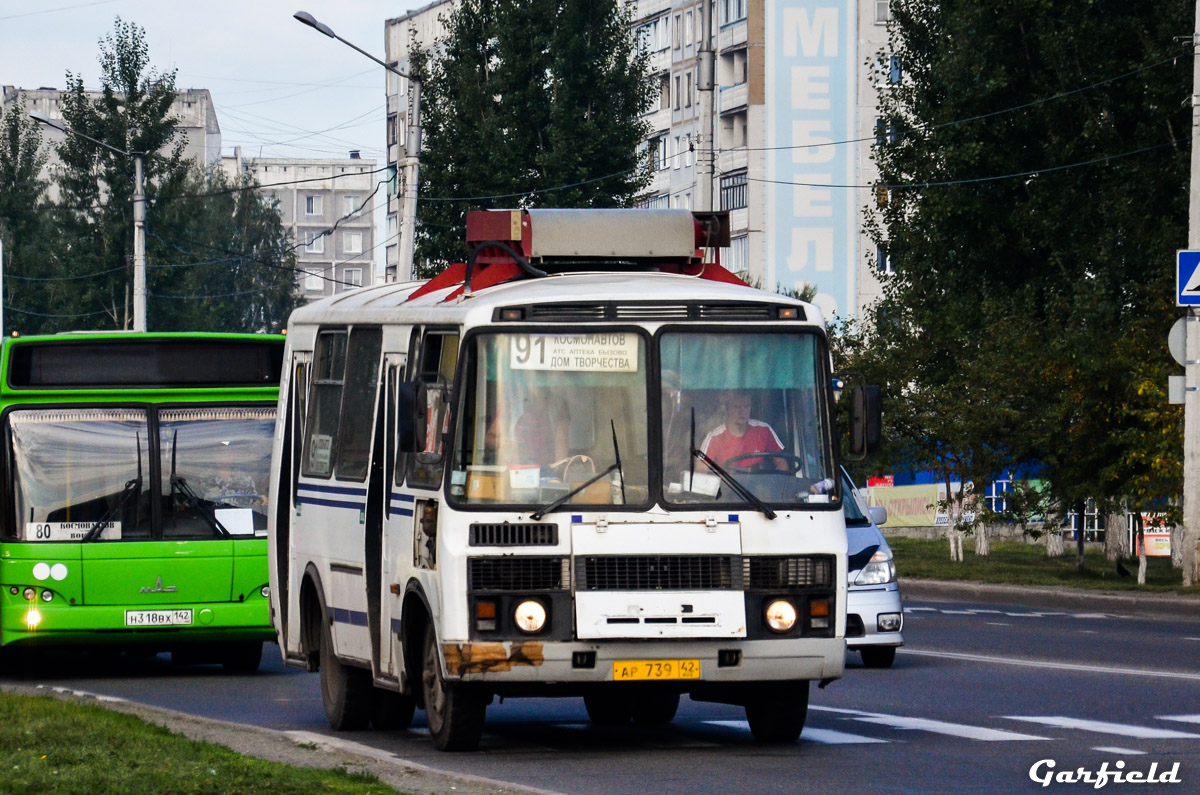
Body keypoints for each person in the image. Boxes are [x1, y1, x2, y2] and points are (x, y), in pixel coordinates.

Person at [700, 391, 787, 471]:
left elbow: (781, 463)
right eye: (737, 407)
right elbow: (700, 472)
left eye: (746, 406)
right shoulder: (714, 438)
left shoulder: (764, 430)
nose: (742, 411)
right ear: (727, 409)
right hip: (728, 486)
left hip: (760, 486)